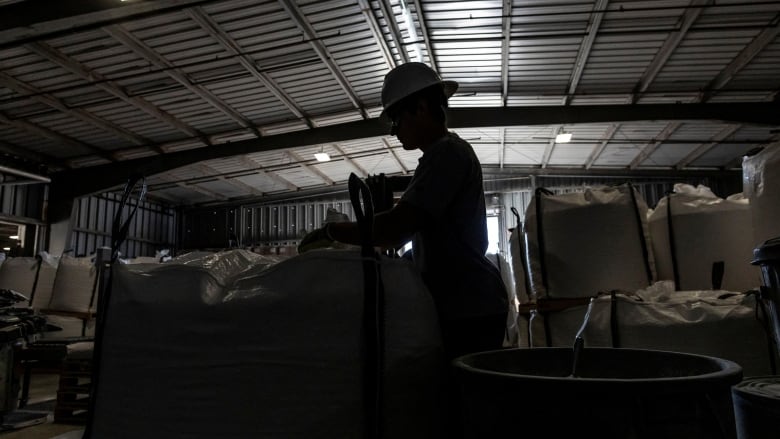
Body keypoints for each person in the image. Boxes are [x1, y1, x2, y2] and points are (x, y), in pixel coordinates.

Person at [298, 62, 508, 361]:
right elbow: (428, 236)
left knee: (462, 399)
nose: (394, 131)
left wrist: (331, 231)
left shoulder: (447, 155)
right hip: (464, 303)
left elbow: (396, 229)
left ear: (420, 108)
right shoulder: (440, 157)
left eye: (396, 120)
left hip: (468, 307)